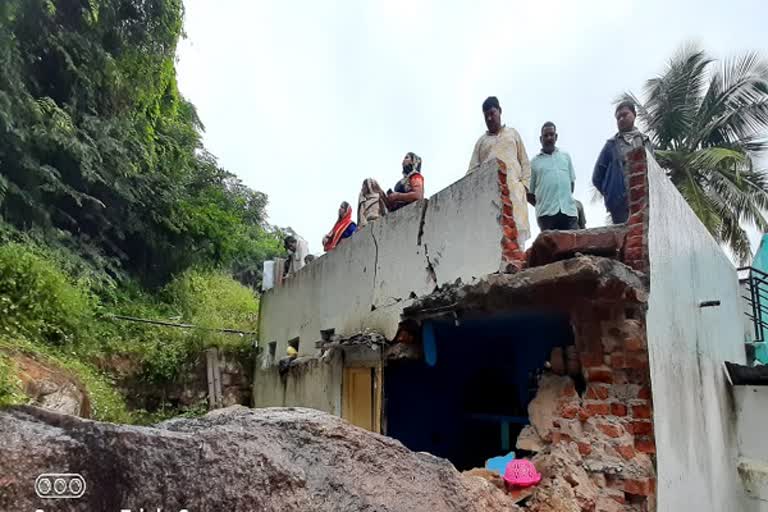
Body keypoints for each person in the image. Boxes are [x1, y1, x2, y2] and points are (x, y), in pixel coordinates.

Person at [467, 96, 532, 247]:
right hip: (490, 198)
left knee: (518, 242)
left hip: (515, 194)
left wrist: (524, 187)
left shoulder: (513, 134)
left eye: (492, 113)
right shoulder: (481, 142)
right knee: (494, 243)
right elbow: (471, 172)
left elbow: (525, 163)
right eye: (486, 116)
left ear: (500, 111)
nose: (489, 118)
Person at [592, 101, 653, 224]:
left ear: (634, 115)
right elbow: (597, 177)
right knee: (625, 240)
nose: (621, 119)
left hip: (644, 200)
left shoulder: (645, 141)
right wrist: (611, 194)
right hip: (621, 205)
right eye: (618, 117)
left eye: (625, 115)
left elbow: (653, 169)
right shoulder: (611, 145)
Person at [529, 122, 579, 231]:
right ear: (541, 139)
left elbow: (571, 184)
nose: (549, 138)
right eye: (545, 135)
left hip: (568, 212)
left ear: (556, 137)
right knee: (550, 247)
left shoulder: (565, 157)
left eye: (551, 135)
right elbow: (530, 194)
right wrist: (543, 205)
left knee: (573, 246)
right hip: (546, 216)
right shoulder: (534, 163)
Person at [357, 152, 425, 227]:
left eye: (407, 158)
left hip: (410, 212)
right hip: (395, 211)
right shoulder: (402, 181)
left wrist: (397, 196)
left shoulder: (415, 176)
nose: (403, 161)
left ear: (413, 161)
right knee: (370, 183)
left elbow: (418, 195)